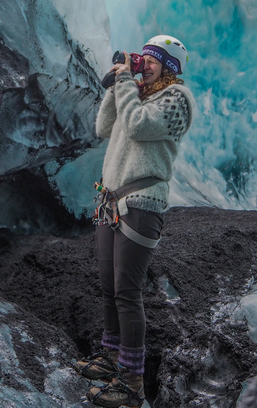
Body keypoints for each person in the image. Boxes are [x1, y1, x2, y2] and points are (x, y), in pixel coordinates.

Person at [75, 35, 195, 407]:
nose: (144, 63)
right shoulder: (138, 94)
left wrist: (127, 81)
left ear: (170, 67)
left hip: (143, 204)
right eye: (142, 57)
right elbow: (104, 126)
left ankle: (132, 383)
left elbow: (141, 127)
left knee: (128, 292)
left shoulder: (177, 100)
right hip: (111, 201)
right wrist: (118, 84)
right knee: (109, 286)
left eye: (152, 60)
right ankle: (111, 357)